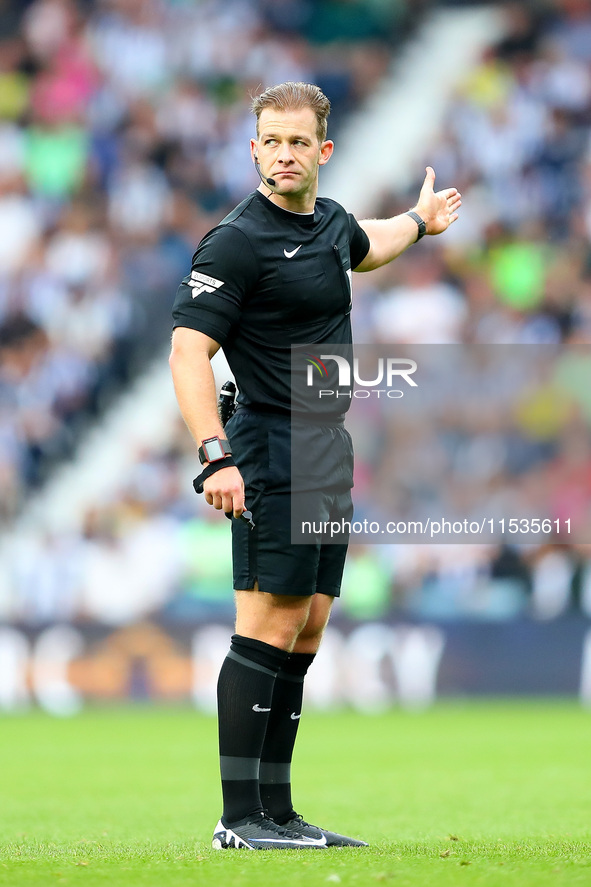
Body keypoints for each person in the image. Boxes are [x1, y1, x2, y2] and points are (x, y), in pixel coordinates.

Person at [169, 81, 461, 851]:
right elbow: (187, 349)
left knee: (306, 627)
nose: (284, 153)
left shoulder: (328, 223)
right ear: (254, 147)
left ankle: (279, 812)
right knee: (264, 622)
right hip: (267, 442)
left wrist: (419, 224)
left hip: (327, 444)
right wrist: (213, 455)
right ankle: (238, 817)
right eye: (272, 140)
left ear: (322, 151)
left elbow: (366, 243)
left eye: (299, 141)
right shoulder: (235, 239)